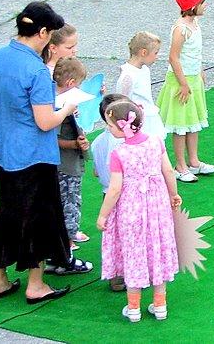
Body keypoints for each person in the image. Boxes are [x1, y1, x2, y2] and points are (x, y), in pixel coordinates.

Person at [0, 1, 78, 305]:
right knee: (39, 218)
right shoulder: (35, 69)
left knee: (8, 212)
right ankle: (36, 285)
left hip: (5, 147)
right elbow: (45, 122)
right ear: (43, 32)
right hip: (34, 154)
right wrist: (67, 109)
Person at [96, 100, 181, 323]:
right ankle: (160, 305)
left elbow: (115, 189)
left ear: (122, 126)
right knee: (157, 247)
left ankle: (133, 307)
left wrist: (103, 214)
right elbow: (168, 170)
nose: (108, 129)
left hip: (131, 208)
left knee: (134, 250)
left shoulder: (119, 153)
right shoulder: (155, 142)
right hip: (157, 205)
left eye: (110, 125)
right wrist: (173, 194)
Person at [156, 0, 214, 183]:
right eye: (202, 3)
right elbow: (174, 58)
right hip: (181, 82)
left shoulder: (195, 23)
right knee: (180, 125)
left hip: (193, 79)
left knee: (193, 123)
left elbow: (195, 53)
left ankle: (194, 161)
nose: (205, 6)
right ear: (192, 5)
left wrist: (199, 71)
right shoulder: (181, 29)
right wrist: (182, 83)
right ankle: (180, 165)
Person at [53, 57, 93, 251]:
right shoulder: (60, 106)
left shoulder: (64, 103)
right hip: (65, 165)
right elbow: (53, 139)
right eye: (79, 85)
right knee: (68, 201)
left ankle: (70, 233)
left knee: (71, 200)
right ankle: (67, 241)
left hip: (70, 163)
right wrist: (75, 144)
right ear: (70, 83)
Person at [91, 93, 128, 293]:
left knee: (113, 236)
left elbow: (96, 171)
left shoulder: (97, 142)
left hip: (107, 194)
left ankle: (115, 275)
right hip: (123, 194)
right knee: (129, 234)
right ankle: (128, 273)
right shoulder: (121, 144)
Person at [117, 31, 166, 139]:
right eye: (155, 53)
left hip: (149, 116)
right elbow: (122, 102)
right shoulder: (128, 76)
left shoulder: (145, 69)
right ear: (144, 52)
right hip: (138, 120)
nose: (157, 57)